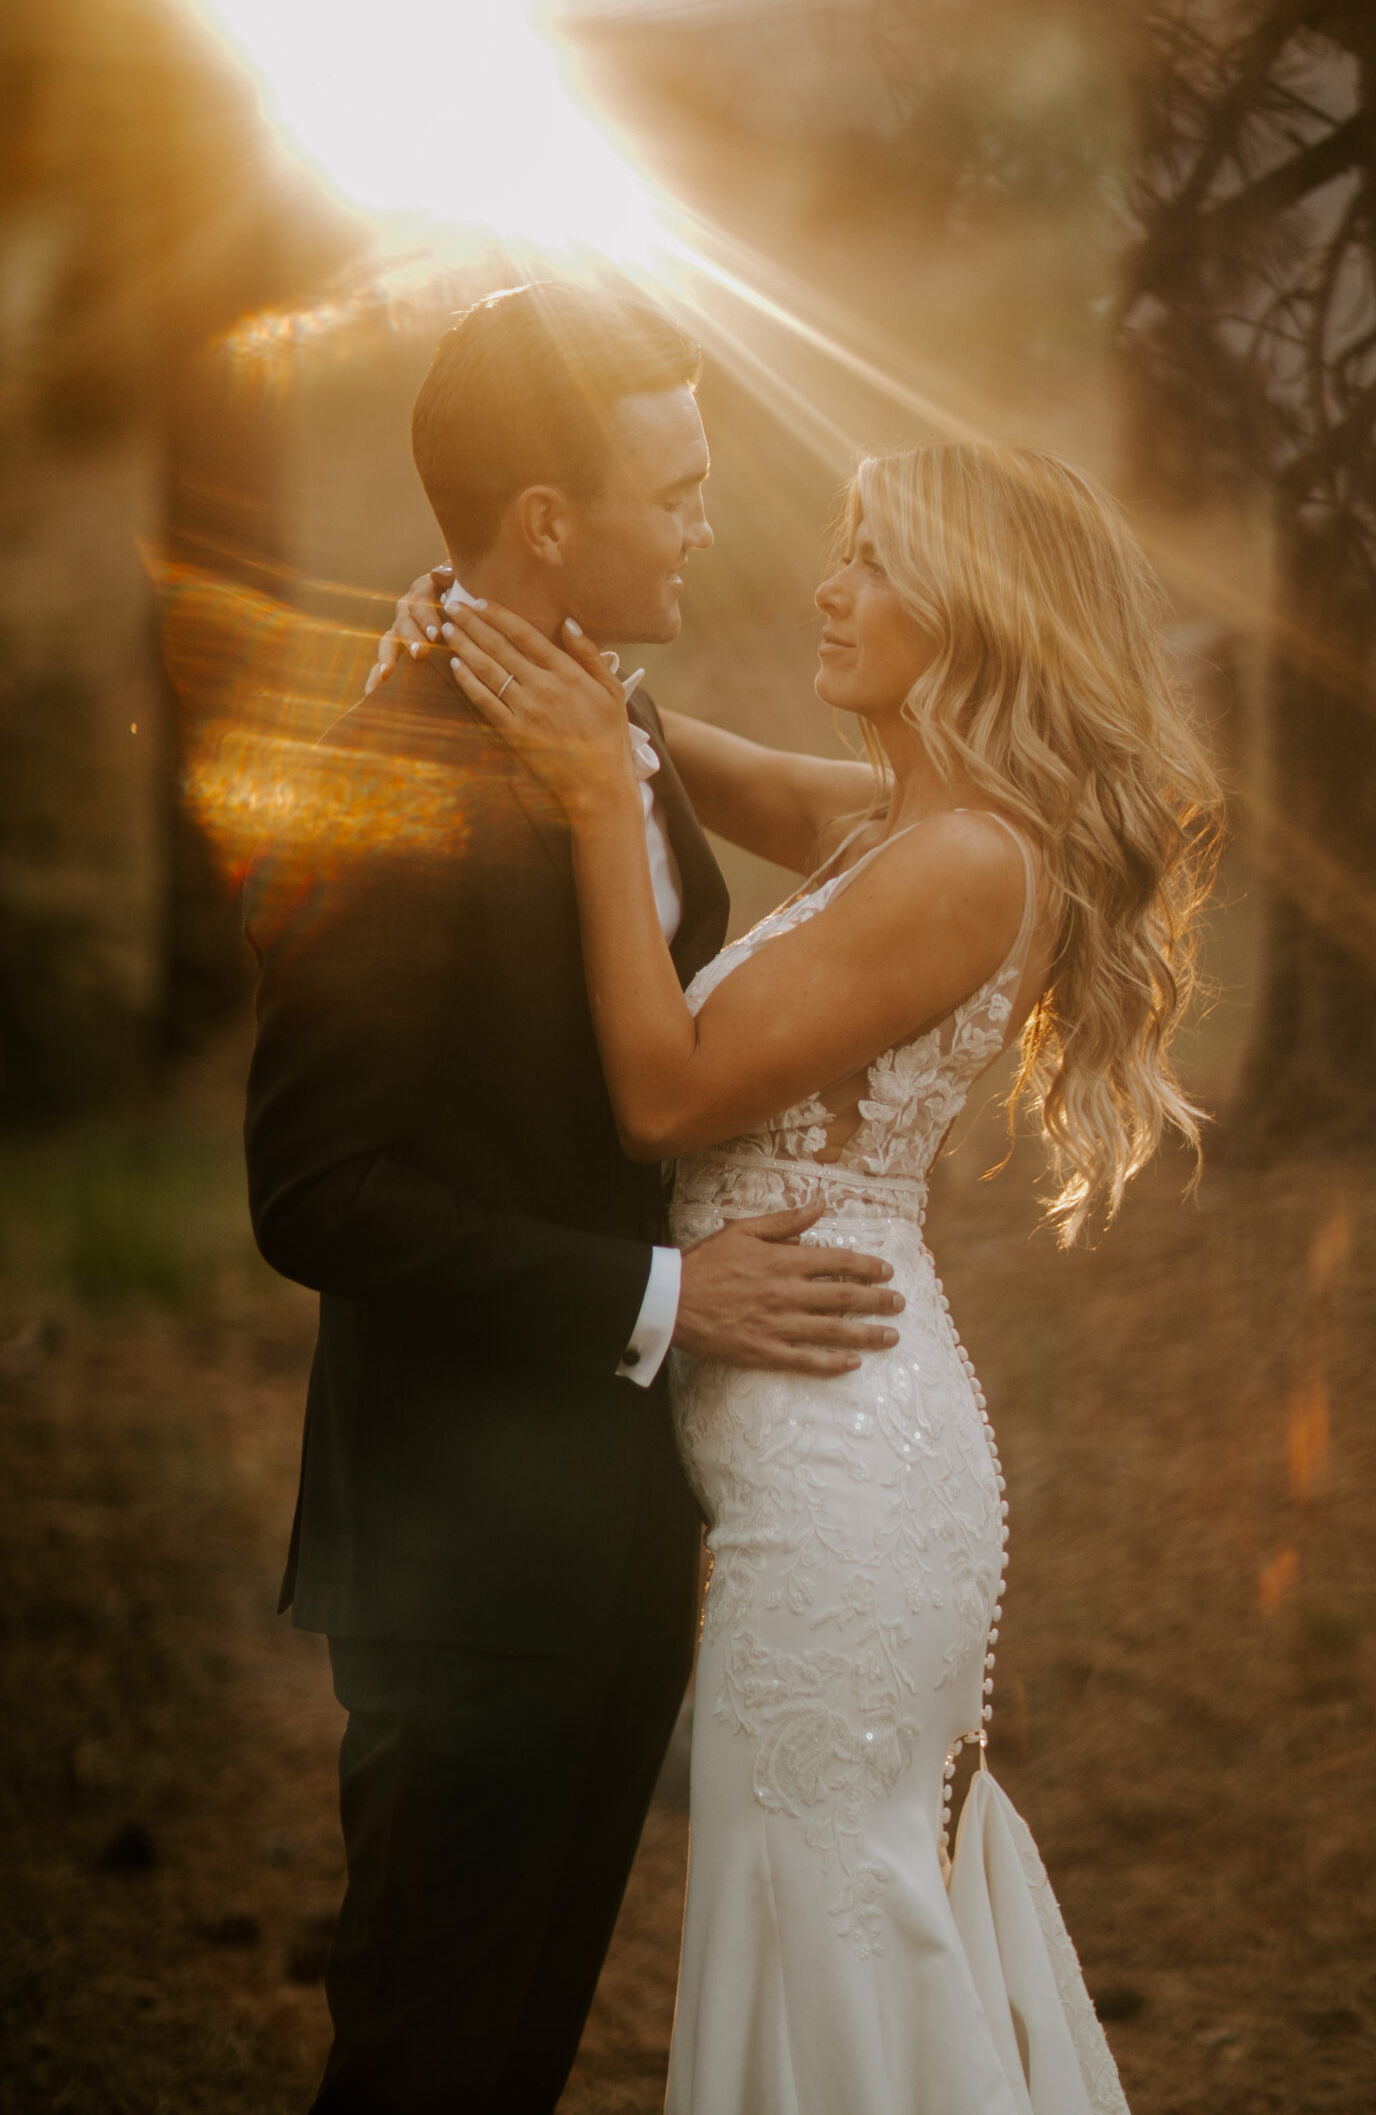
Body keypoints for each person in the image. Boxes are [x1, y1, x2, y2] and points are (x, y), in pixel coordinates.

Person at [403, 434, 1223, 2112]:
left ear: (975, 615)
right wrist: (485, 635)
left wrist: (581, 795)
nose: (828, 590)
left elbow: (664, 1092)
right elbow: (654, 746)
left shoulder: (967, 863)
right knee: (826, 1896)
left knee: (825, 1901)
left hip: (846, 1469)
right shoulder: (887, 822)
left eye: (871, 562)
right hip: (825, 1435)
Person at [243, 282, 906, 2115]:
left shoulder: (594, 705)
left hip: (618, 1531)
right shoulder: (394, 772)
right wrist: (671, 1301)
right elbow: (312, 1193)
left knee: (511, 2063)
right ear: (550, 523)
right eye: (674, 486)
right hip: (467, 1567)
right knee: (426, 2067)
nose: (707, 519)